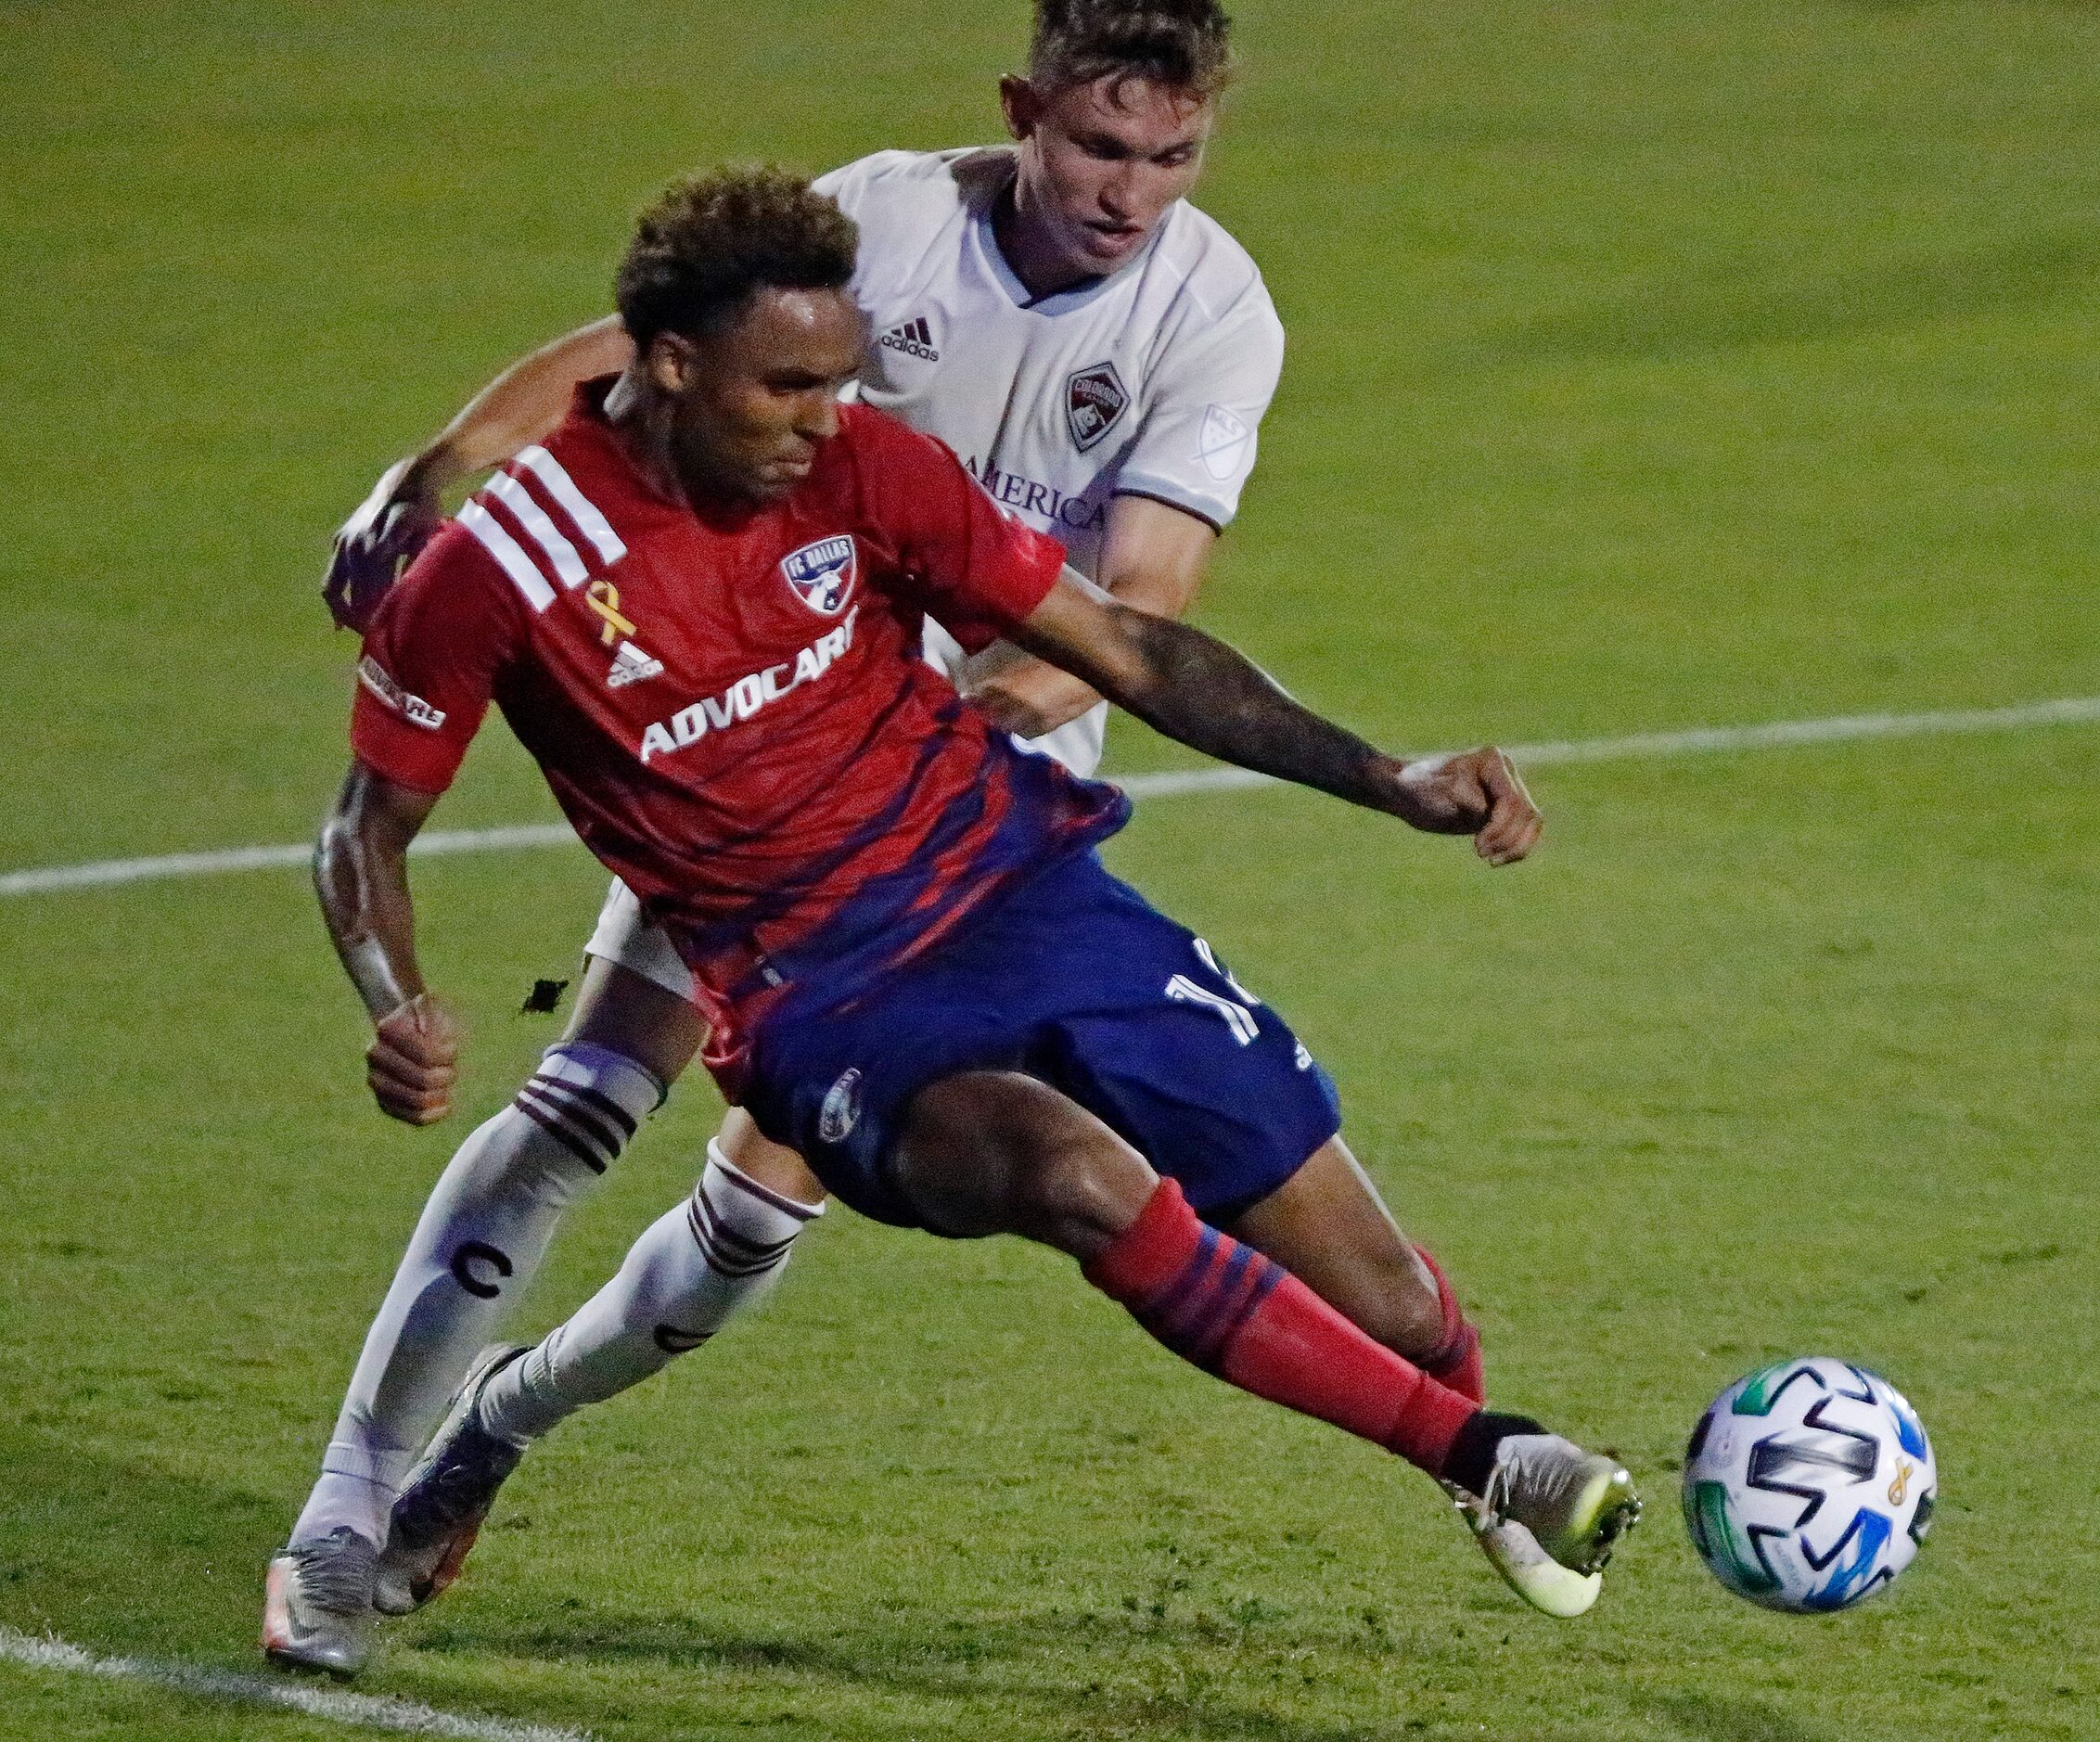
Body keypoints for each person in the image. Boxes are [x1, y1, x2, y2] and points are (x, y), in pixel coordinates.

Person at [268, 162, 1638, 1678]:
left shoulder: (862, 467)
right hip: (818, 985)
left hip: (1021, 880)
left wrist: (1385, 777)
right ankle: (345, 1512)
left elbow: (1128, 641)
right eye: (786, 384)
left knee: (1387, 1297)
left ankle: (1471, 1439)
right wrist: (393, 995)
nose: (822, 414)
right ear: (665, 366)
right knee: (1052, 1177)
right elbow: (363, 827)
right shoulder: (502, 573)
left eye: (838, 380)